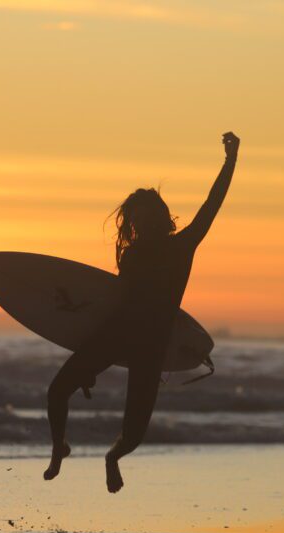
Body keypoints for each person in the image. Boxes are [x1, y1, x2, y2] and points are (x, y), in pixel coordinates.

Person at [44, 132, 239, 493]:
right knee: (57, 391)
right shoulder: (132, 254)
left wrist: (231, 161)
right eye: (136, 219)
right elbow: (113, 302)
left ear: (160, 217)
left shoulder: (182, 246)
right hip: (115, 334)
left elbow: (212, 204)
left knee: (134, 433)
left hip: (151, 347)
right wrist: (86, 349)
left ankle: (113, 457)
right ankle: (60, 446)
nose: (140, 224)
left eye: (146, 217)